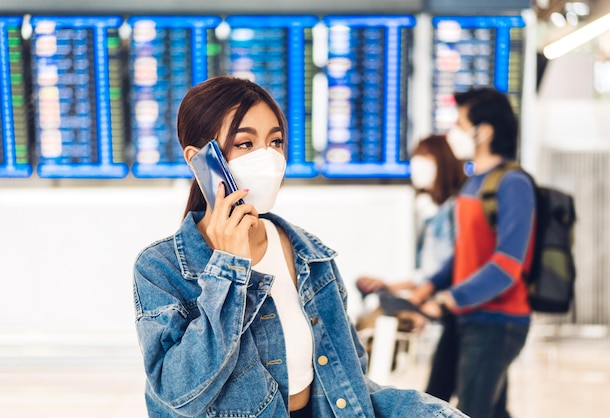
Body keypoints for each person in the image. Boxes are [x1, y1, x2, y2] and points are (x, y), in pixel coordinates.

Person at [132, 75, 468, 418]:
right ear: (200, 161)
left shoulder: (311, 257)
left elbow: (347, 382)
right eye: (245, 144)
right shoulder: (161, 268)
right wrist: (227, 268)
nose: (268, 158)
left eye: (275, 142)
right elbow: (180, 393)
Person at [409, 87, 535, 418]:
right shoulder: (473, 183)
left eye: (461, 123)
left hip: (497, 321)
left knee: (473, 411)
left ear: (485, 130)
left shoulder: (513, 184)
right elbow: (464, 254)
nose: (455, 131)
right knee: (467, 405)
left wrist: (449, 299)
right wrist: (430, 286)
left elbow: (507, 266)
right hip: (467, 316)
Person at [355, 134, 466, 402]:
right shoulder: (433, 212)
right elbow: (427, 272)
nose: (417, 164)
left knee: (447, 392)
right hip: (434, 299)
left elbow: (454, 266)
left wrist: (424, 299)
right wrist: (391, 285)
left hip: (448, 306)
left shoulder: (455, 209)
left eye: (425, 157)